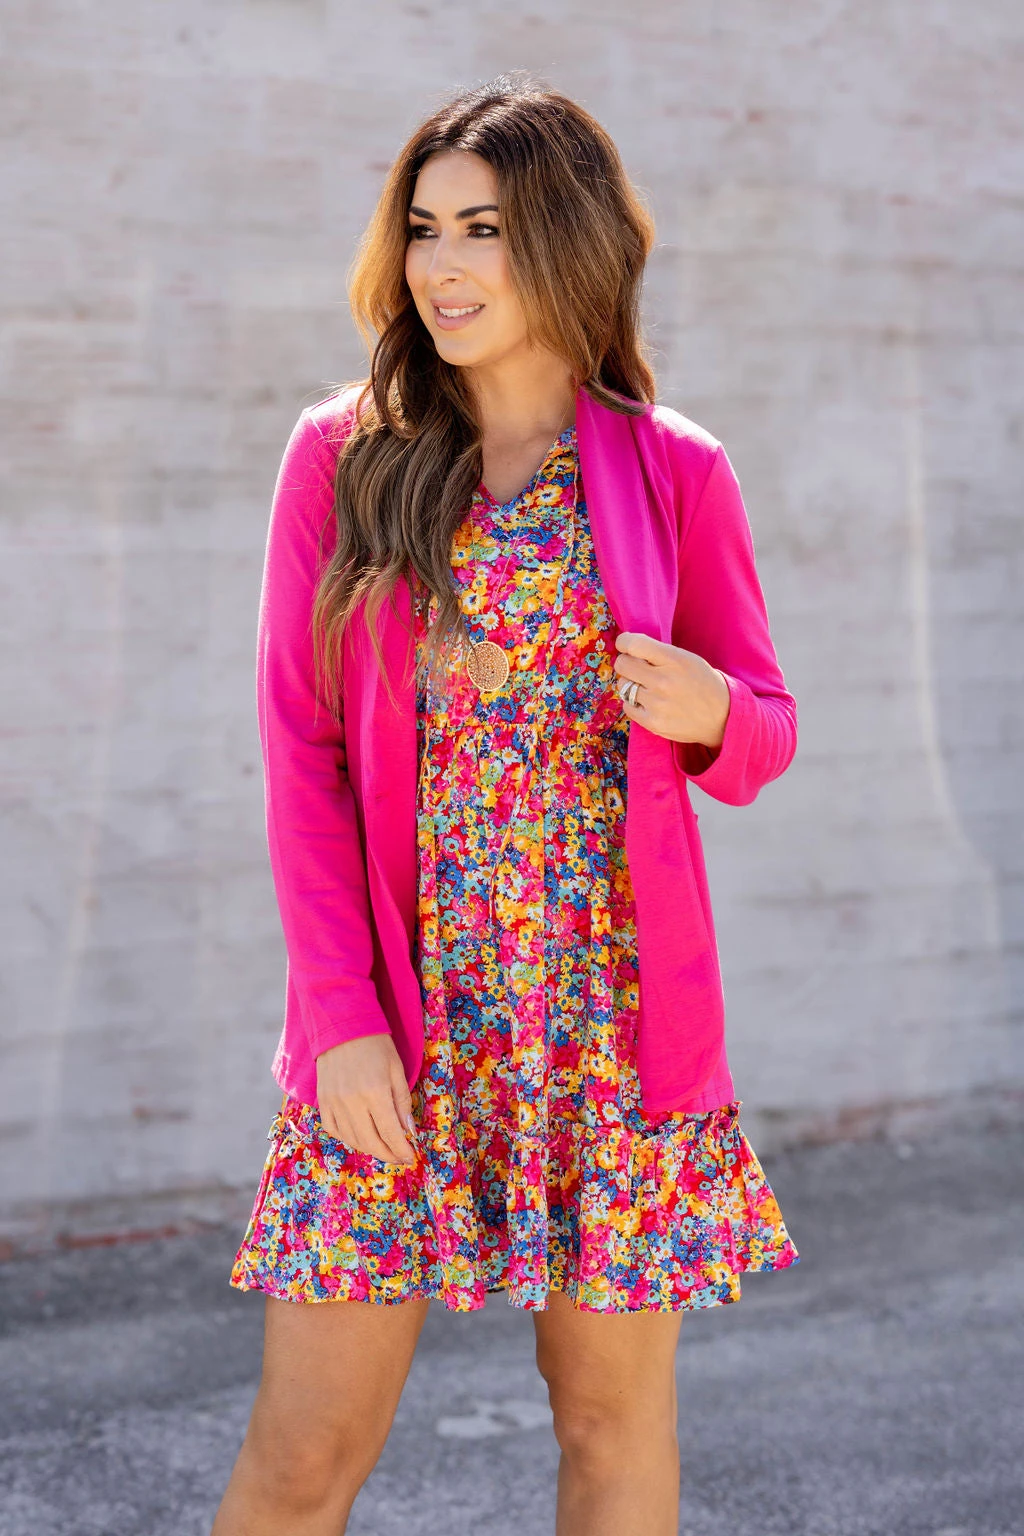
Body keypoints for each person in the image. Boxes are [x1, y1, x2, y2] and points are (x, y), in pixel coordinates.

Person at [211, 73, 800, 1536]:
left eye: (483, 228)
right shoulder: (342, 457)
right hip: (393, 1032)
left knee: (609, 1431)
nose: (443, 265)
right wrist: (339, 1017)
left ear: (567, 241)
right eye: (424, 229)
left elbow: (765, 729)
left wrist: (710, 709)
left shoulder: (674, 474)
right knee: (302, 1459)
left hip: (606, 1035)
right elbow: (300, 751)